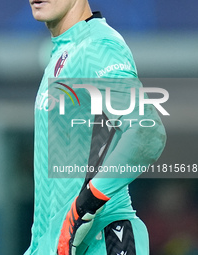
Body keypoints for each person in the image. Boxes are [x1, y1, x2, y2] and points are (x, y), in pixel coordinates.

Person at [25, 0, 167, 254]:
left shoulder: (98, 46)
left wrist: (83, 208)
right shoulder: (64, 51)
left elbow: (146, 131)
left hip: (104, 240)